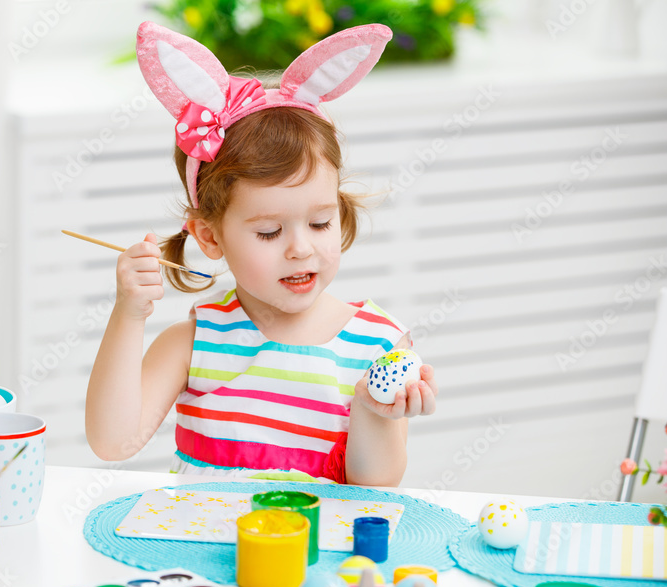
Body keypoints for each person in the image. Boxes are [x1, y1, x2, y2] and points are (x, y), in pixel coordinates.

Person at [85, 22, 437, 486]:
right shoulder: (196, 341)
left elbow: (376, 488)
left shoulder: (377, 346)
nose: (301, 248)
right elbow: (112, 442)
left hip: (311, 558)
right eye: (270, 232)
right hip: (203, 553)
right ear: (210, 238)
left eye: (320, 222)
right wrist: (129, 314)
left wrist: (376, 411)